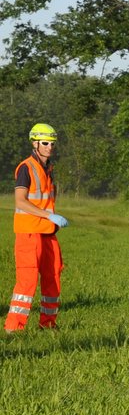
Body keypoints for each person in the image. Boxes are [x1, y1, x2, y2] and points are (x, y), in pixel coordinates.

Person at [8, 123, 69, 334]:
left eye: (52, 143)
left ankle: (49, 325)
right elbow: (20, 201)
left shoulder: (49, 168)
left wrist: (51, 220)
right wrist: (49, 215)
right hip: (29, 232)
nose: (50, 147)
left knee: (53, 277)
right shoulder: (26, 167)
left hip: (48, 232)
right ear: (35, 143)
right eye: (45, 143)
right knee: (27, 281)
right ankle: (14, 329)